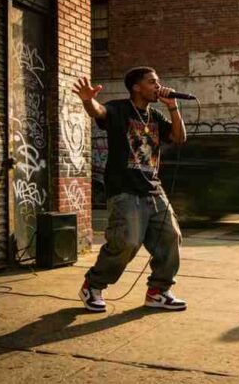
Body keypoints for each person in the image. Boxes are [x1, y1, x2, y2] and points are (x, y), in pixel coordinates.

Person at [75, 67, 188, 313]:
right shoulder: (120, 109)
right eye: (152, 82)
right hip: (124, 189)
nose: (158, 87)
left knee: (170, 237)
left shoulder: (156, 116)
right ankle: (92, 286)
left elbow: (179, 137)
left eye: (158, 82)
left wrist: (172, 106)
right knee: (126, 242)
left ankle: (158, 291)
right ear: (136, 87)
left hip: (153, 190)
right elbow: (99, 111)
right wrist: (88, 100)